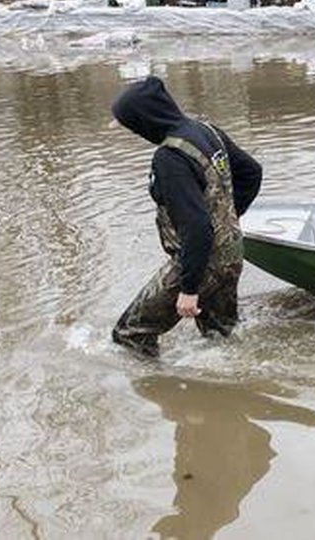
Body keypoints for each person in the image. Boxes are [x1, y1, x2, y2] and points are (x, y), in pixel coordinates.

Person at [111, 76, 263, 356]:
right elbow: (252, 172)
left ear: (144, 121)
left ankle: (163, 391)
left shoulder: (169, 158)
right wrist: (227, 221)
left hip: (199, 262)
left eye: (130, 124)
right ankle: (230, 391)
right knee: (220, 338)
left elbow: (196, 226)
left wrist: (189, 288)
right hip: (231, 255)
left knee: (130, 333)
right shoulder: (206, 130)